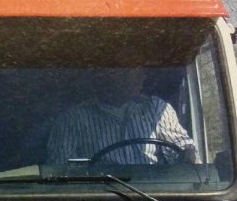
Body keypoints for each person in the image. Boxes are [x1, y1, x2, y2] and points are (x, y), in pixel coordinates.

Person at [45, 68, 198, 173]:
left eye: (141, 70)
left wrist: (187, 156)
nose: (142, 76)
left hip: (155, 196)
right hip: (99, 199)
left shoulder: (156, 108)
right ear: (109, 74)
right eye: (132, 69)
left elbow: (183, 150)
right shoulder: (72, 119)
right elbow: (59, 172)